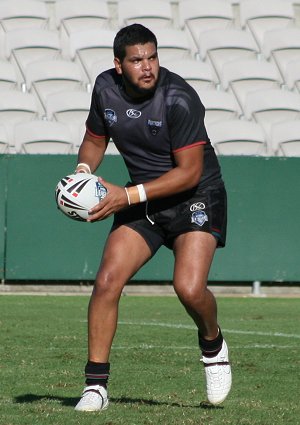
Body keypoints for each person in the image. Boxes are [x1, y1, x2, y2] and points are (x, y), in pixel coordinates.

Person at [74, 23, 232, 412]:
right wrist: (82, 173)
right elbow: (96, 138)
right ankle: (96, 386)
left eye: (152, 57)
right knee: (108, 280)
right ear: (118, 65)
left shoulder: (179, 98)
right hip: (144, 198)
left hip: (196, 196)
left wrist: (125, 195)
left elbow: (189, 173)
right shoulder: (104, 88)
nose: (147, 67)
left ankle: (213, 345)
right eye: (137, 60)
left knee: (189, 288)